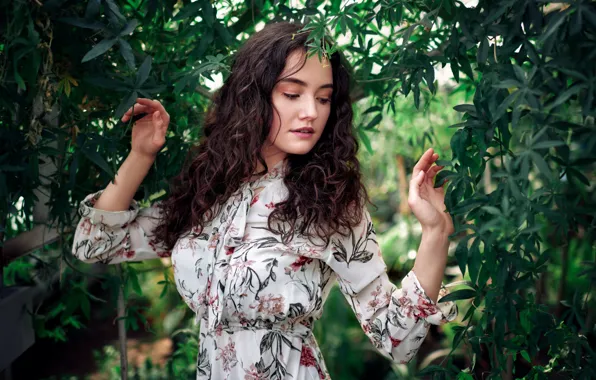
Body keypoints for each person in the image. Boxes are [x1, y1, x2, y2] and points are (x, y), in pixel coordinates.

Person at [72, 22, 457, 380]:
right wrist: (141, 156)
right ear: (252, 96)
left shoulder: (329, 204)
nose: (311, 112)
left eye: (323, 99)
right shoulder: (208, 192)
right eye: (292, 94)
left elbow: (398, 340)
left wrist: (435, 232)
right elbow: (94, 242)